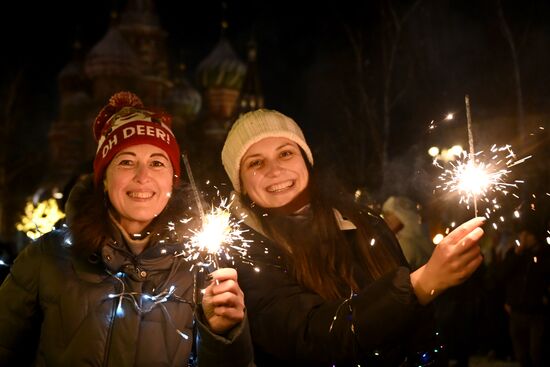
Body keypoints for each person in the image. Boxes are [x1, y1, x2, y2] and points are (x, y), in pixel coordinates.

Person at [0, 91, 253, 366]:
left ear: (172, 179)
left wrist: (224, 336)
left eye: (157, 162)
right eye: (126, 162)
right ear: (105, 180)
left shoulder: (204, 271)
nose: (142, 176)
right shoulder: (47, 258)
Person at [221, 108, 486, 366]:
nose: (275, 170)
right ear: (240, 183)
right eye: (256, 162)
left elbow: (421, 331)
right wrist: (418, 285)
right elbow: (310, 336)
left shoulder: (364, 222)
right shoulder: (242, 253)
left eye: (286, 153)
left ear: (306, 159)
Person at [491, 213, 550, 367]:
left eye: (527, 234)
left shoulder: (545, 255)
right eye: (522, 233)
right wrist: (516, 255)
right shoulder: (515, 254)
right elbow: (501, 275)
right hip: (516, 311)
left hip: (537, 313)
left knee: (537, 353)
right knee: (521, 355)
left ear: (535, 236)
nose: (523, 237)